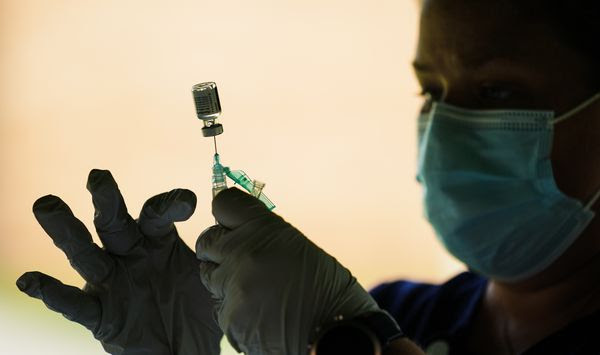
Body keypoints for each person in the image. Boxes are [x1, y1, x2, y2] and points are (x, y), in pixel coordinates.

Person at [16, 0, 600, 354]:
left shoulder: (359, 330)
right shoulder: (400, 314)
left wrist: (352, 346)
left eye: (498, 91)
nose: (445, 128)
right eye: (431, 91)